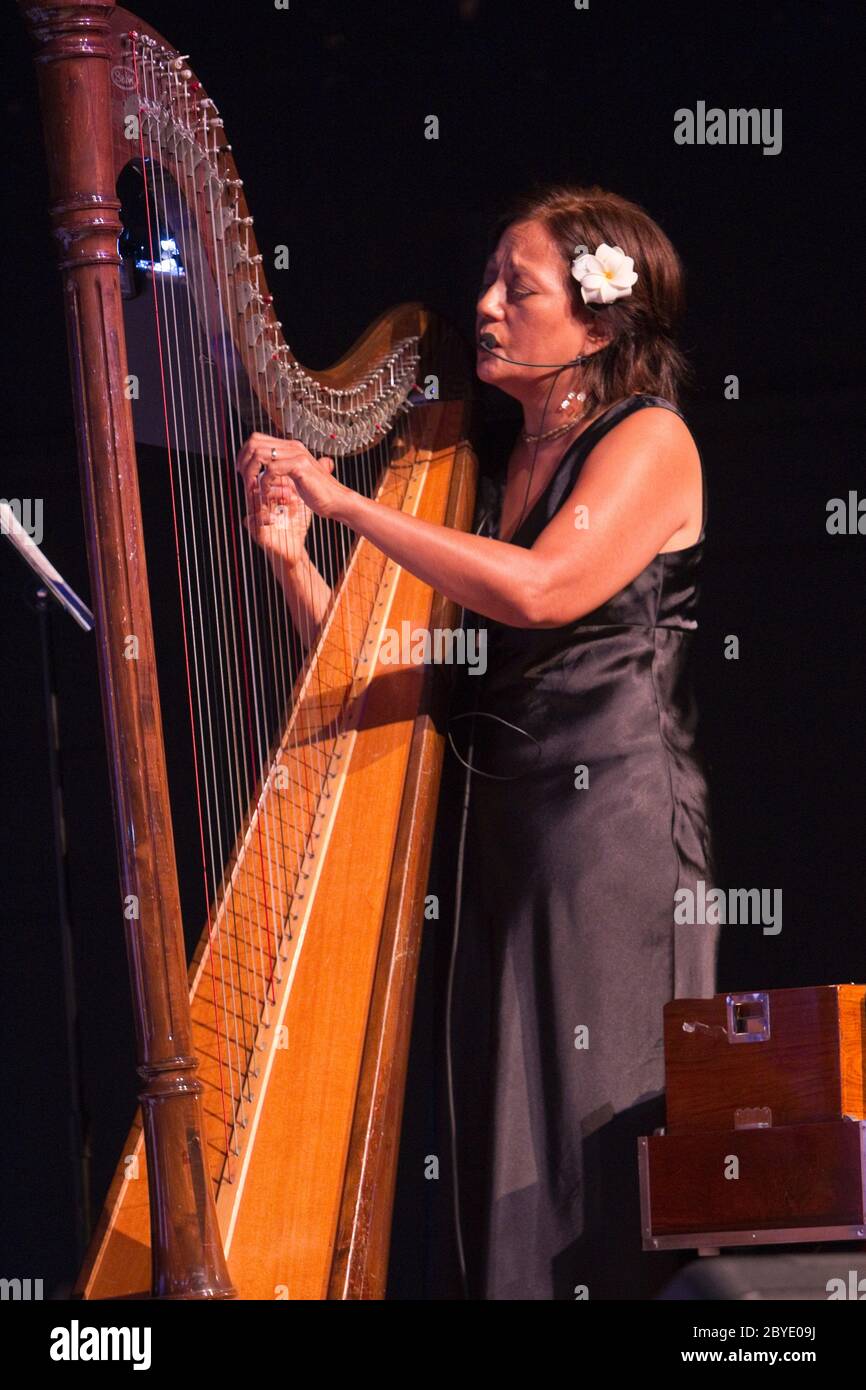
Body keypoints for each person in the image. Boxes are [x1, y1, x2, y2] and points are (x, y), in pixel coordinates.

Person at [236, 182, 720, 1300]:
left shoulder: (647, 441)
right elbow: (413, 679)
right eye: (490, 278)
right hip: (502, 830)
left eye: (522, 286)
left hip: (606, 840)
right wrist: (297, 555)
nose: (486, 305)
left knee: (588, 1148)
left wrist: (351, 506)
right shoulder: (497, 476)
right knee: (503, 1146)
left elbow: (546, 593)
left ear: (598, 323)